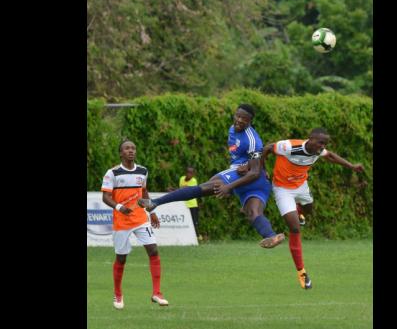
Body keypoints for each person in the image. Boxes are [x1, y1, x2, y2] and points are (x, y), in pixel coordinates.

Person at [138, 104, 285, 248]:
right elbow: (257, 161)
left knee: (204, 187)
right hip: (246, 178)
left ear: (250, 121)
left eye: (244, 119)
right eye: (238, 116)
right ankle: (271, 235)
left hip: (250, 179)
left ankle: (155, 202)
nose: (240, 120)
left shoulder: (252, 139)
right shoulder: (232, 130)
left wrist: (229, 187)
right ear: (234, 114)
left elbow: (254, 172)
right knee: (253, 213)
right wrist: (256, 167)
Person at [261, 127, 364, 289]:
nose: (322, 146)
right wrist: (262, 169)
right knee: (294, 228)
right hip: (283, 190)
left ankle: (301, 213)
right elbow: (266, 148)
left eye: (325, 143)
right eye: (320, 142)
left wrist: (351, 166)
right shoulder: (289, 146)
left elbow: (330, 156)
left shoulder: (319, 151)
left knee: (309, 210)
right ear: (310, 139)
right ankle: (302, 272)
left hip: (302, 187)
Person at [101, 140, 169, 309]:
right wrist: (119, 206)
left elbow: (144, 192)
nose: (130, 151)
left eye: (133, 148)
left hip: (140, 218)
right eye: (127, 148)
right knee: (121, 258)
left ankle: (157, 293)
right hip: (122, 221)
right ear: (120, 153)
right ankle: (118, 294)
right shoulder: (112, 173)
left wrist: (151, 212)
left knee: (153, 250)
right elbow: (105, 197)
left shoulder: (142, 171)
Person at [179, 166, 202, 241]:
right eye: (188, 172)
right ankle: (187, 238)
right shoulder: (182, 179)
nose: (189, 174)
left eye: (191, 173)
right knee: (184, 221)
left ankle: (197, 237)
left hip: (192, 205)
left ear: (193, 174)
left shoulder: (193, 181)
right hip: (183, 205)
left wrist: (173, 189)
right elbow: (180, 190)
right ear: (185, 173)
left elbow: (186, 190)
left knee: (194, 222)